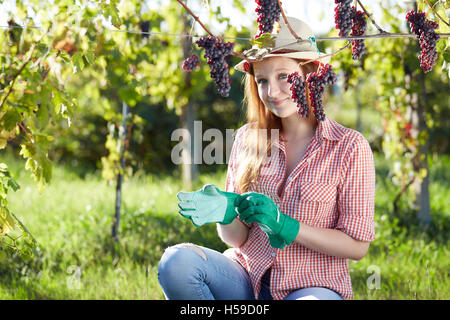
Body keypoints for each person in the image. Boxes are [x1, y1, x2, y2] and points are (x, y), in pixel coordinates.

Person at [158, 17, 375, 300]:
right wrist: (225, 214)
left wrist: (287, 226)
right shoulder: (248, 138)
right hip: (246, 279)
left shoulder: (349, 147)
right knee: (176, 263)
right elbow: (238, 238)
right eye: (262, 80)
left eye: (284, 76)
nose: (271, 92)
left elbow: (357, 246)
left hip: (311, 286)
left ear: (311, 73)